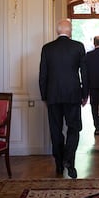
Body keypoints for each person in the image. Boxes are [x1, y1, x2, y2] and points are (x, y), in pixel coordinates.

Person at [39, 19, 88, 179]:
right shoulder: (78, 47)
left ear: (57, 31)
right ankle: (69, 162)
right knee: (74, 129)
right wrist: (85, 94)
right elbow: (84, 74)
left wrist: (44, 96)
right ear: (70, 31)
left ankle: (59, 164)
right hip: (73, 94)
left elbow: (43, 75)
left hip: (53, 95)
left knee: (56, 131)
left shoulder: (47, 48)